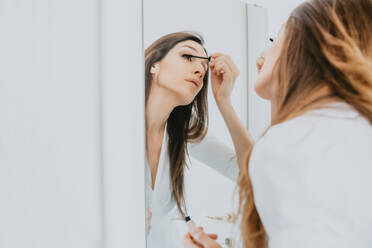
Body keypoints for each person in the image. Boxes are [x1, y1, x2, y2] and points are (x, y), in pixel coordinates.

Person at [184, 0, 372, 247]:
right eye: (187, 56)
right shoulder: (346, 130)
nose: (264, 54)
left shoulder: (299, 142)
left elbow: (246, 171)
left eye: (274, 40)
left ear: (300, 54)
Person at [144, 32, 251, 248]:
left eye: (204, 66)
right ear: (154, 65)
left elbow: (248, 172)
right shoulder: (114, 126)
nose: (200, 70)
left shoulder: (182, 130)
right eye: (188, 57)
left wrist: (224, 102)